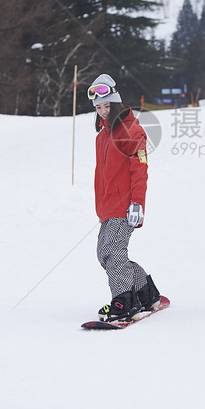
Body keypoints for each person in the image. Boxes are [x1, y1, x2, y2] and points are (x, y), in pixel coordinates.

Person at [88, 73, 161, 322]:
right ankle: (146, 292)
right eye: (99, 108)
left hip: (125, 205)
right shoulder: (102, 135)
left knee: (112, 252)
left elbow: (140, 168)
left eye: (107, 105)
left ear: (117, 103)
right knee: (105, 254)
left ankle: (123, 300)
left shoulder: (131, 130)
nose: (104, 111)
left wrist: (137, 203)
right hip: (108, 205)